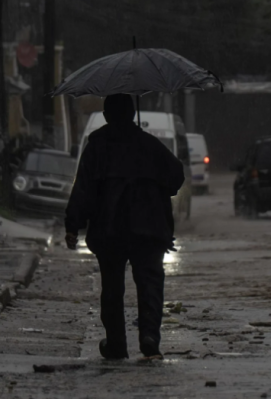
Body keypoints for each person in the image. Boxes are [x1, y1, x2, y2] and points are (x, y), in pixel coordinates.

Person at [65, 94, 185, 359]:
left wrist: (73, 225)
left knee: (111, 287)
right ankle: (149, 336)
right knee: (150, 283)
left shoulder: (97, 146)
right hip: (149, 228)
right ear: (132, 114)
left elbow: (83, 188)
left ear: (107, 116)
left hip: (110, 229)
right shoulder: (149, 145)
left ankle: (117, 344)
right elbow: (176, 174)